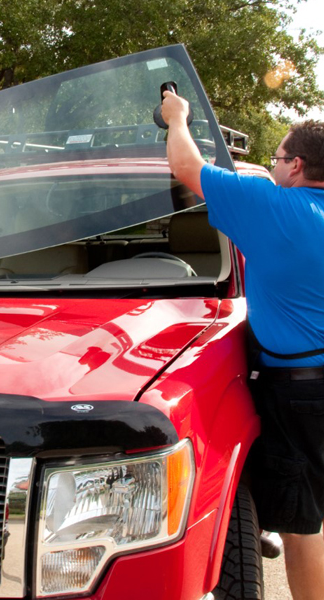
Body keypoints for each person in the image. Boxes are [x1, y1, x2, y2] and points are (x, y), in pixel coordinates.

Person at [162, 91, 324, 600]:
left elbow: (186, 164)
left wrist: (177, 116)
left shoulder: (274, 207)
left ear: (296, 165)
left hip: (299, 393)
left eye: (277, 158)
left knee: (304, 522)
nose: (274, 166)